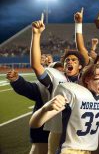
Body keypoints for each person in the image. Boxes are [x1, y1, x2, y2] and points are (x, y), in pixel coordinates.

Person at [31, 14, 86, 154]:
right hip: (57, 131)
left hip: (79, 131)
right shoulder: (56, 77)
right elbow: (36, 65)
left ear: (80, 66)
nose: (69, 62)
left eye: (74, 60)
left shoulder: (86, 80)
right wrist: (36, 35)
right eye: (67, 60)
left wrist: (79, 25)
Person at [30, 64, 99, 154]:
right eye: (97, 77)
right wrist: (45, 108)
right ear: (87, 80)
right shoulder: (73, 93)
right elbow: (34, 123)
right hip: (70, 149)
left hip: (89, 149)